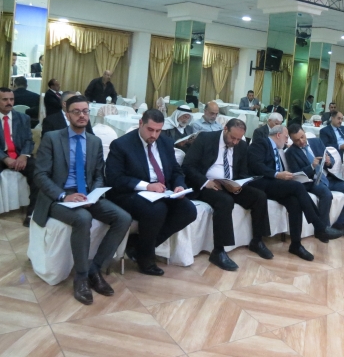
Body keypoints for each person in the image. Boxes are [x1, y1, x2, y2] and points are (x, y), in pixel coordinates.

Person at [32, 95, 131, 305]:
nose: (82, 115)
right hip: (58, 197)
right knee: (83, 218)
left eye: (85, 111)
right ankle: (81, 277)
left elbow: (99, 175)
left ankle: (95, 270)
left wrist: (93, 195)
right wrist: (64, 196)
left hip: (86, 195)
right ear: (67, 115)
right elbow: (40, 175)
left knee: (123, 217)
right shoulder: (52, 138)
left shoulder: (94, 141)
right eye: (76, 112)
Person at [105, 109, 197, 276]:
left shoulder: (165, 142)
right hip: (128, 193)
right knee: (157, 209)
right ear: (141, 123)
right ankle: (146, 259)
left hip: (161, 192)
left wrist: (179, 186)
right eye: (150, 129)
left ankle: (138, 246)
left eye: (158, 130)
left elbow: (176, 171)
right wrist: (147, 186)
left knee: (188, 210)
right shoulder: (121, 144)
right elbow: (114, 179)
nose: (154, 135)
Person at [182, 119, 272, 271]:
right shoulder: (205, 138)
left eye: (238, 139)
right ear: (225, 129)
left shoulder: (242, 145)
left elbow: (243, 172)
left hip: (230, 184)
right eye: (232, 138)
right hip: (206, 185)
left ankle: (257, 241)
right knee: (225, 201)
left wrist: (238, 185)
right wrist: (205, 182)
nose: (235, 142)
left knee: (259, 196)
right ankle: (218, 251)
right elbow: (188, 166)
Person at [248, 125, 343, 262]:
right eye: (286, 137)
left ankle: (296, 244)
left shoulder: (278, 149)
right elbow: (256, 165)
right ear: (278, 135)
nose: (287, 141)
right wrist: (277, 174)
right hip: (260, 182)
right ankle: (319, 226)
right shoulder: (261, 143)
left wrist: (283, 176)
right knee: (298, 187)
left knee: (295, 202)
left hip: (274, 184)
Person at [286, 124, 344, 236]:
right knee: (326, 194)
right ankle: (323, 229)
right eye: (296, 140)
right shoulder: (290, 153)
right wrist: (311, 166)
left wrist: (329, 161)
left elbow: (331, 160)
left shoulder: (316, 142)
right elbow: (297, 175)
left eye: (302, 137)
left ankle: (339, 223)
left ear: (304, 133)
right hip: (312, 181)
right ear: (291, 140)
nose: (301, 141)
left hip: (327, 178)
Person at [0, 87, 36, 227]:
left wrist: (23, 156)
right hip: (2, 156)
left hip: (20, 155)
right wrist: (4, 158)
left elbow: (29, 141)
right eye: (5, 99)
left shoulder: (23, 118)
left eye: (11, 99)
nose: (9, 102)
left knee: (39, 173)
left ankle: (32, 213)